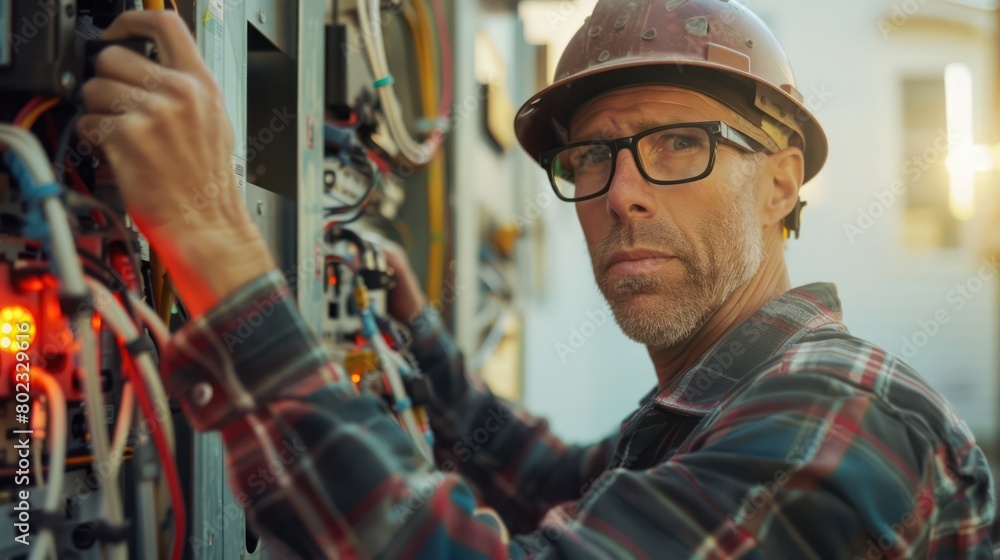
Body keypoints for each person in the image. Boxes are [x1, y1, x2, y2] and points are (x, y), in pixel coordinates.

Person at [79, 1, 998, 558]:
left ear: (783, 179)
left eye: (678, 144)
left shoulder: (840, 416)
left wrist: (217, 246)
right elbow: (552, 481)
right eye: (593, 157)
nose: (622, 194)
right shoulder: (719, 407)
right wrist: (421, 344)